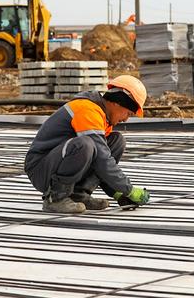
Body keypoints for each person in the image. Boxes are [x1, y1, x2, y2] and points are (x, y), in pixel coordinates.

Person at [25, 75, 150, 214]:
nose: (126, 119)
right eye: (128, 113)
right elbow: (102, 159)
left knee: (116, 141)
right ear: (117, 103)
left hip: (58, 161)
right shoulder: (88, 110)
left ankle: (79, 195)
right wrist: (129, 190)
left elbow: (100, 162)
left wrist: (118, 194)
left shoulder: (103, 116)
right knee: (85, 145)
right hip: (40, 168)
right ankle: (56, 198)